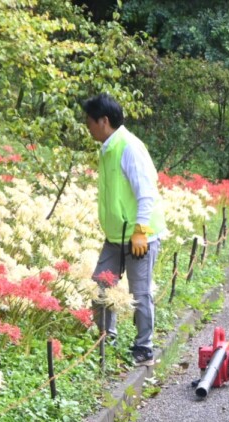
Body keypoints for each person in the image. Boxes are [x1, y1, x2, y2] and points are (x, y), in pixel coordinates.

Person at [82, 93, 166, 367]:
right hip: (116, 237)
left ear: (103, 121)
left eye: (89, 122)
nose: (87, 127)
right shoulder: (108, 147)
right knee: (101, 287)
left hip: (139, 235)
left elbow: (146, 193)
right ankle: (109, 340)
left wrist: (141, 229)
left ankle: (144, 348)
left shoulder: (128, 147)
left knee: (139, 293)